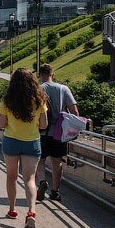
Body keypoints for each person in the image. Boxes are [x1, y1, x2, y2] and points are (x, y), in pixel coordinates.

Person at [0, 67, 48, 228]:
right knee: (30, 179)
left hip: (11, 141)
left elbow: (1, 124)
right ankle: (31, 212)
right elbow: (44, 125)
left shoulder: (7, 100)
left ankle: (12, 210)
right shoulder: (40, 99)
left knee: (11, 177)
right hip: (32, 141)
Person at [37, 64, 79, 203]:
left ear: (40, 75)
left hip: (42, 132)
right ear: (52, 74)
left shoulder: (38, 89)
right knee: (57, 162)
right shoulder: (63, 89)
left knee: (40, 161)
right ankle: (55, 192)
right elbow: (74, 112)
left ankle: (42, 181)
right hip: (59, 133)